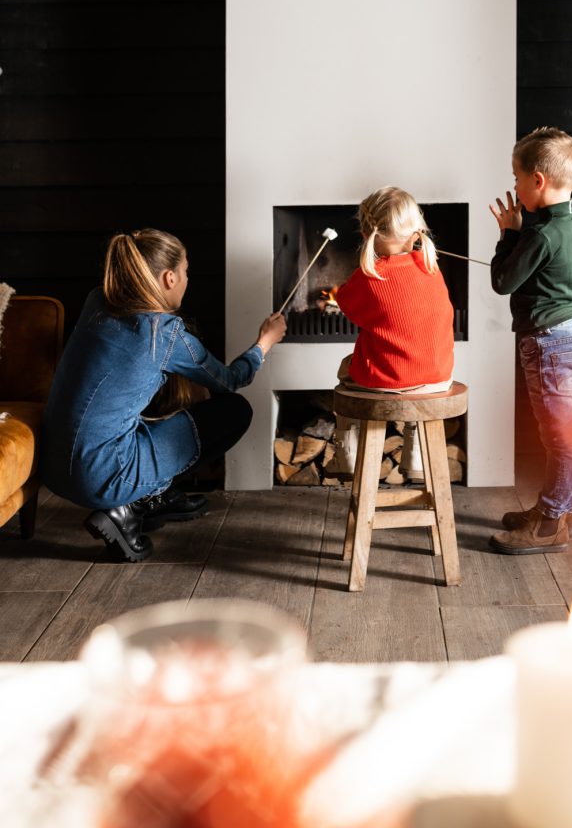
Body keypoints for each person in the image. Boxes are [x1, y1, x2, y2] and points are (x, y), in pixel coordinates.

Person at [40, 229, 286, 563]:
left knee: (159, 403)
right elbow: (228, 381)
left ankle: (154, 493)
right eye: (186, 272)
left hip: (52, 468)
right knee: (233, 411)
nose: (187, 279)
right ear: (169, 278)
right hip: (103, 477)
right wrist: (264, 344)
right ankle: (129, 507)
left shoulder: (96, 300)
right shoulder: (163, 333)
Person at [488, 127, 572, 555]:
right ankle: (554, 508)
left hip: (548, 342)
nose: (513, 185)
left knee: (560, 438)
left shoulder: (539, 235)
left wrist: (509, 233)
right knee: (559, 435)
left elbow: (501, 281)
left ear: (538, 181)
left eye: (515, 176)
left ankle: (551, 522)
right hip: (568, 334)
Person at [330, 187, 454, 479]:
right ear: (415, 233)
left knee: (345, 370)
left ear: (365, 234)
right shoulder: (431, 267)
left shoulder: (370, 275)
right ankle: (415, 456)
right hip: (438, 378)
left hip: (390, 379)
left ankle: (347, 454)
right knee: (412, 368)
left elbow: (346, 304)